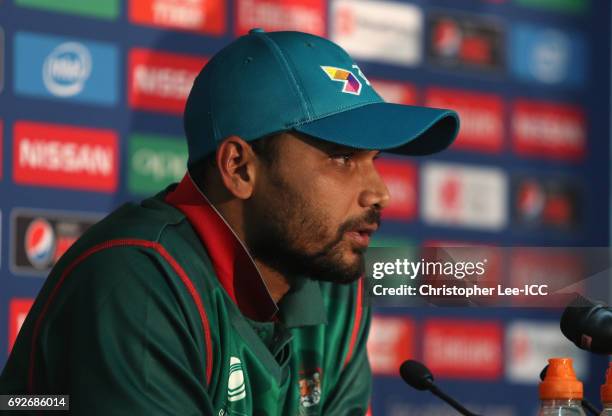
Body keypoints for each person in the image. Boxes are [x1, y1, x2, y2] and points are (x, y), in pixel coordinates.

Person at [0, 29, 459, 415]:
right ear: (239, 168)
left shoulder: (335, 284)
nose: (380, 192)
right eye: (342, 158)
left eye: (373, 160)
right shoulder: (135, 280)